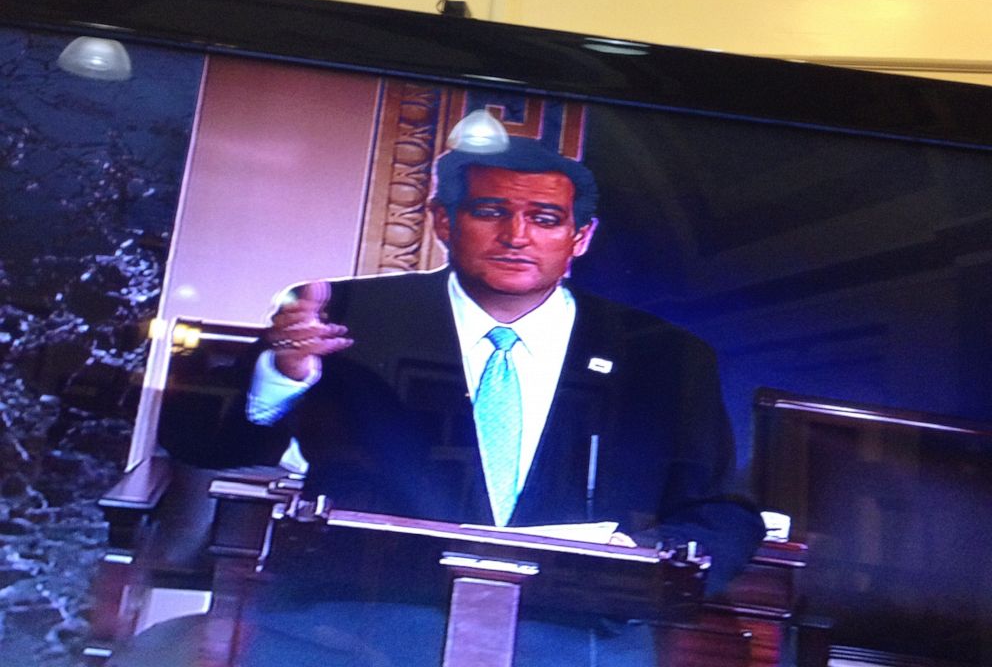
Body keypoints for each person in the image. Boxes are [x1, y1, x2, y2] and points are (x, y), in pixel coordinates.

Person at [116, 134, 764, 667]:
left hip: (573, 634)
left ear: (580, 237)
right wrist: (281, 374)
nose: (516, 235)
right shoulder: (346, 313)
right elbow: (204, 445)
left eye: (544, 219)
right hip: (350, 624)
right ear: (443, 222)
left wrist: (644, 566)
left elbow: (722, 515)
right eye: (490, 212)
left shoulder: (665, 356)